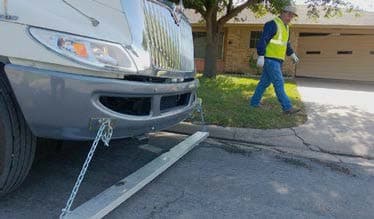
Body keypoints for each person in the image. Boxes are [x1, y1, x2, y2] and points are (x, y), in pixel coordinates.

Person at [250, 3, 300, 114]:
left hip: (277, 60)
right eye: (289, 15)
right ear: (283, 13)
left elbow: (285, 44)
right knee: (279, 82)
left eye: (292, 16)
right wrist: (261, 55)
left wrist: (292, 54)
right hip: (270, 59)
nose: (290, 18)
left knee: (264, 83)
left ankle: (254, 102)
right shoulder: (272, 24)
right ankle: (287, 107)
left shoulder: (286, 28)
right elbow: (263, 40)